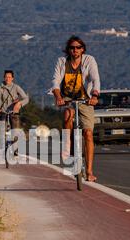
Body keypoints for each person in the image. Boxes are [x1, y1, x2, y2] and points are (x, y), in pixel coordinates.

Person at [52, 35, 100, 182]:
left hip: (86, 99)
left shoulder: (89, 60)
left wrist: (95, 95)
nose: (75, 50)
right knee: (68, 114)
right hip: (67, 98)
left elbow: (95, 78)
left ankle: (89, 171)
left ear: (82, 49)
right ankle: (68, 143)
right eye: (72, 48)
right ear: (68, 50)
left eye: (78, 47)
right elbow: (55, 81)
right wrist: (58, 97)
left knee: (88, 133)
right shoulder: (62, 62)